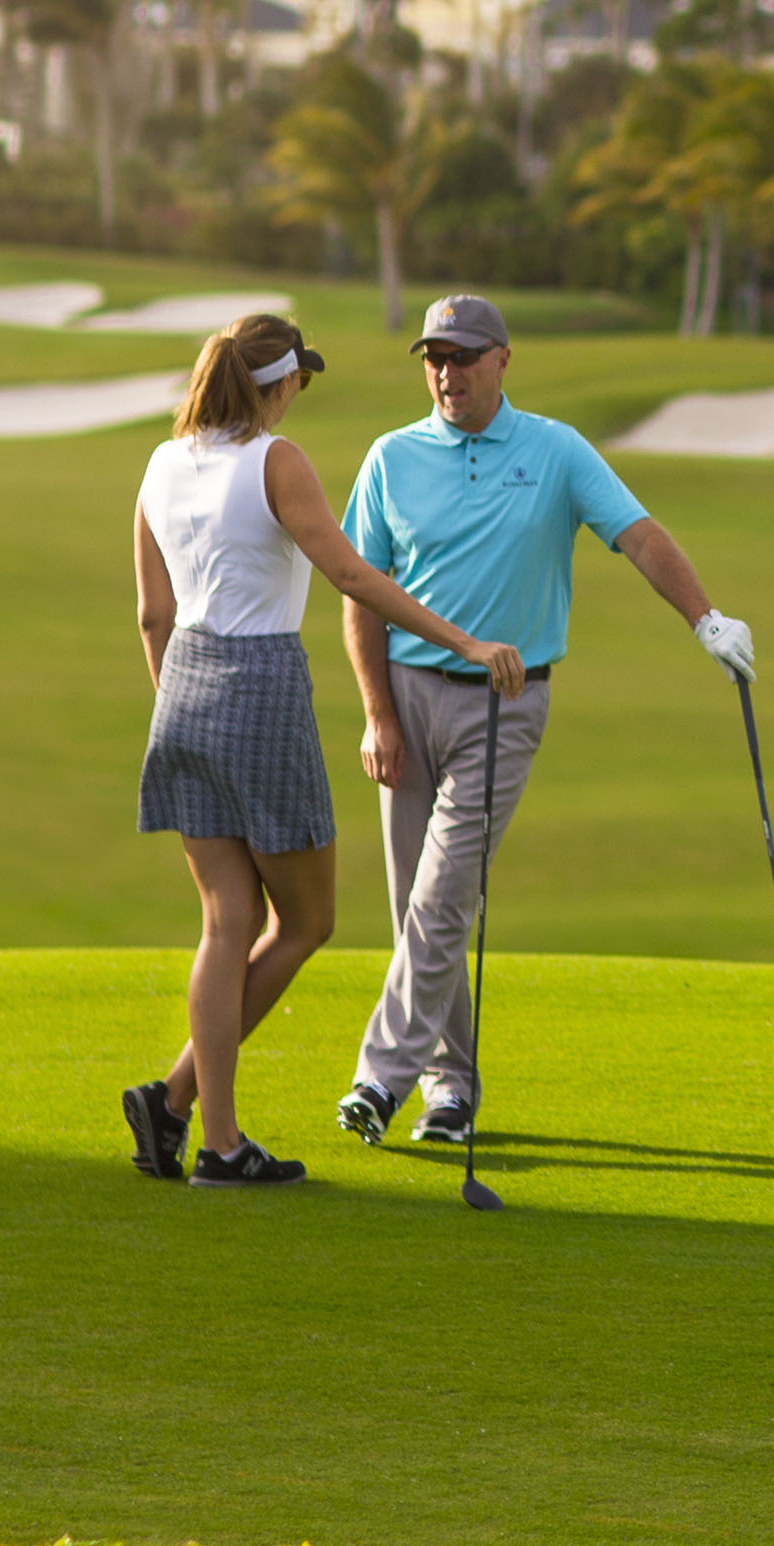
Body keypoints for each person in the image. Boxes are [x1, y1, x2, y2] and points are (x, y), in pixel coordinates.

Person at [335, 292, 754, 1148]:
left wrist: (706, 619)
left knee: (443, 894)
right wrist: (377, 713)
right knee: (418, 903)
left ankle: (380, 1078)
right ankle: (451, 1093)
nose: (446, 372)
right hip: (406, 696)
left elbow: (639, 535)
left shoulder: (555, 450)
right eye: (434, 357)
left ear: (502, 358)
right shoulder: (390, 456)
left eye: (462, 356)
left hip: (506, 701)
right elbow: (361, 593)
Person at [123, 310, 522, 1189]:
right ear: (280, 383)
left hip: (181, 689)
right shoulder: (277, 460)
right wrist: (465, 642)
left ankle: (200, 1126)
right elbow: (351, 574)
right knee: (305, 922)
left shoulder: (160, 461)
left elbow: (153, 615)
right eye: (298, 379)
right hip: (260, 688)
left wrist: (181, 708)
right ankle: (191, 1113)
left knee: (224, 922)